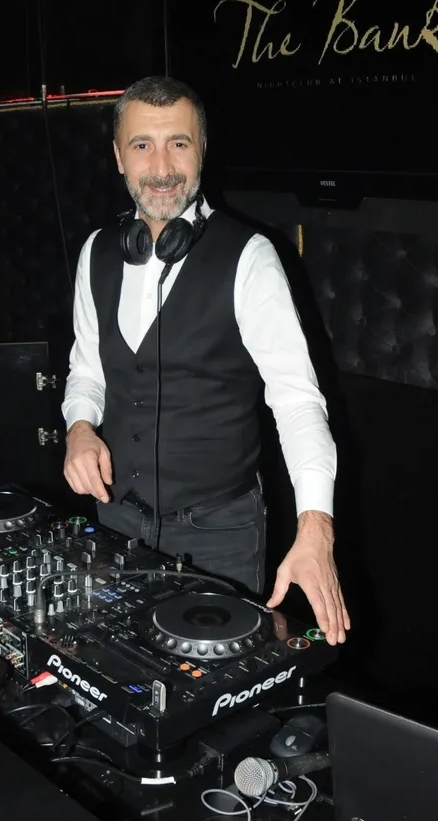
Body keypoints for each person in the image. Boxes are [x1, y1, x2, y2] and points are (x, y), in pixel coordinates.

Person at [62, 76, 350, 646]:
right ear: (118, 156)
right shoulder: (96, 252)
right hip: (115, 519)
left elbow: (296, 400)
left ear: (202, 150)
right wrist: (79, 428)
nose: (161, 167)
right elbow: (87, 369)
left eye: (179, 143)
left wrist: (316, 529)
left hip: (219, 535)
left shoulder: (251, 257)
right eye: (142, 145)